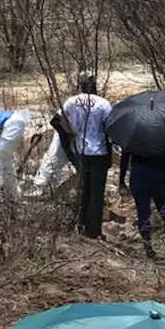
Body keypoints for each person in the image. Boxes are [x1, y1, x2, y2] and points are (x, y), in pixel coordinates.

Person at [61, 73, 112, 238]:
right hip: (99, 152)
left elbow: (56, 120)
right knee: (96, 192)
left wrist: (69, 142)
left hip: (80, 151)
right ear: (94, 84)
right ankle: (93, 230)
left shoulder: (71, 102)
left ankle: (80, 224)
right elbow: (109, 128)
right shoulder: (103, 104)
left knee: (83, 189)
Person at [118, 149, 165, 259]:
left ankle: (148, 247)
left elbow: (125, 157)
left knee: (143, 212)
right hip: (160, 173)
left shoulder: (132, 134)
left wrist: (121, 180)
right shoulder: (163, 133)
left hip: (139, 175)